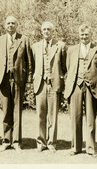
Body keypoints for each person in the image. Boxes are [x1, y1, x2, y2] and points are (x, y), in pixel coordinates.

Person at [64, 24, 97, 158]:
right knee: (75, 117)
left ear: (90, 35)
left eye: (86, 34)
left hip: (91, 87)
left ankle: (91, 148)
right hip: (75, 86)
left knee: (91, 118)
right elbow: (69, 67)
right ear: (79, 35)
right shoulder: (71, 50)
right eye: (82, 35)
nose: (84, 37)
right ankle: (75, 147)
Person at [0, 16, 33, 151]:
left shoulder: (24, 40)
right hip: (3, 80)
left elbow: (29, 62)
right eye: (8, 23)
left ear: (17, 25)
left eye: (13, 23)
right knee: (6, 111)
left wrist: (28, 80)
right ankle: (6, 140)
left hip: (18, 80)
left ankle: (16, 141)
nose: (10, 25)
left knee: (17, 111)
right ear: (5, 25)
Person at [31, 22, 67, 152]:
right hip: (40, 84)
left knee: (53, 115)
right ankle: (41, 142)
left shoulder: (61, 45)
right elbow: (32, 64)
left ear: (53, 31)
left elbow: (64, 65)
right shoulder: (35, 46)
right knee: (40, 114)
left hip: (54, 84)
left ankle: (52, 142)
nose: (46, 31)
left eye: (49, 29)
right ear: (41, 31)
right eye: (44, 29)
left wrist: (59, 77)